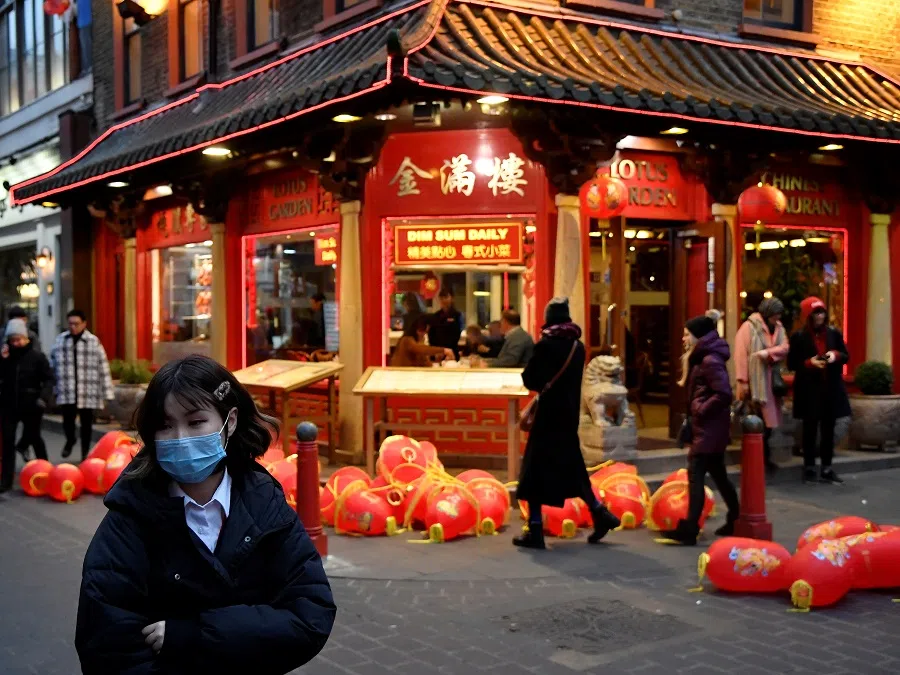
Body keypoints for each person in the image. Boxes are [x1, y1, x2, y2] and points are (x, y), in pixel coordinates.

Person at [75, 355, 335, 674]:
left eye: (196, 422)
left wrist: (197, 634)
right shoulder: (130, 518)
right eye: (166, 426)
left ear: (231, 421)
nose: (181, 439)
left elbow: (310, 615)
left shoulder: (265, 505)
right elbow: (108, 647)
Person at [514, 298, 620, 550]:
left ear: (549, 318)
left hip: (547, 418)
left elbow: (531, 379)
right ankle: (599, 514)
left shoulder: (546, 345)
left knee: (534, 472)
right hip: (568, 417)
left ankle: (536, 530)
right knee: (573, 469)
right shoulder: (578, 347)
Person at [662, 310, 740, 546]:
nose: (683, 339)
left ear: (698, 336)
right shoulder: (704, 357)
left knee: (695, 474)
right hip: (710, 429)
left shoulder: (709, 360)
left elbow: (724, 393)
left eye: (687, 335)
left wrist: (700, 409)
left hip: (709, 428)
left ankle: (690, 528)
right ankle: (736, 517)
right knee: (718, 474)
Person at [787, 297, 850, 485]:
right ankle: (809, 467)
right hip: (809, 390)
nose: (819, 317)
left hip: (830, 389)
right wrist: (809, 362)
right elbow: (791, 363)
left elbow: (846, 355)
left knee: (829, 430)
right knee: (810, 429)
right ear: (808, 316)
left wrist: (835, 355)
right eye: (815, 313)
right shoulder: (799, 337)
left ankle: (827, 467)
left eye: (821, 312)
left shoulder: (833, 334)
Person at [734, 298, 789, 473]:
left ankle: (765, 458)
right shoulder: (748, 327)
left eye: (778, 315)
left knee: (768, 426)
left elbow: (785, 347)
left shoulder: (779, 328)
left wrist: (767, 353)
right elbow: (741, 355)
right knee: (754, 422)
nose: (777, 318)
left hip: (771, 384)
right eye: (774, 315)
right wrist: (742, 381)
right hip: (754, 383)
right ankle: (753, 459)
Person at [51, 310, 114, 460]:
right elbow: (52, 366)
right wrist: (53, 389)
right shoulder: (60, 340)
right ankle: (70, 440)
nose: (73, 327)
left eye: (76, 324)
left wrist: (107, 393)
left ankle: (85, 454)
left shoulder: (93, 341)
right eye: (70, 323)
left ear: (84, 324)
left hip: (88, 388)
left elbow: (103, 366)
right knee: (68, 421)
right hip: (67, 389)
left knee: (87, 424)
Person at [0, 320, 54, 492]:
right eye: (12, 340)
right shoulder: (5, 357)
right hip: (8, 405)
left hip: (32, 404)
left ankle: (47, 473)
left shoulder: (37, 357)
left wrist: (43, 398)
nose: (16, 343)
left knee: (35, 438)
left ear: (26, 338)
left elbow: (49, 379)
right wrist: (3, 360)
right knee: (7, 442)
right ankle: (6, 480)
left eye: (19, 339)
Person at [427, 288, 464, 358]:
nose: (443, 300)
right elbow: (431, 334)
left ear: (452, 298)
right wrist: (436, 351)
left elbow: (457, 334)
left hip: (452, 351)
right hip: (437, 352)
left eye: (446, 297)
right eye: (441, 298)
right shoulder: (436, 315)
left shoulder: (457, 315)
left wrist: (447, 350)